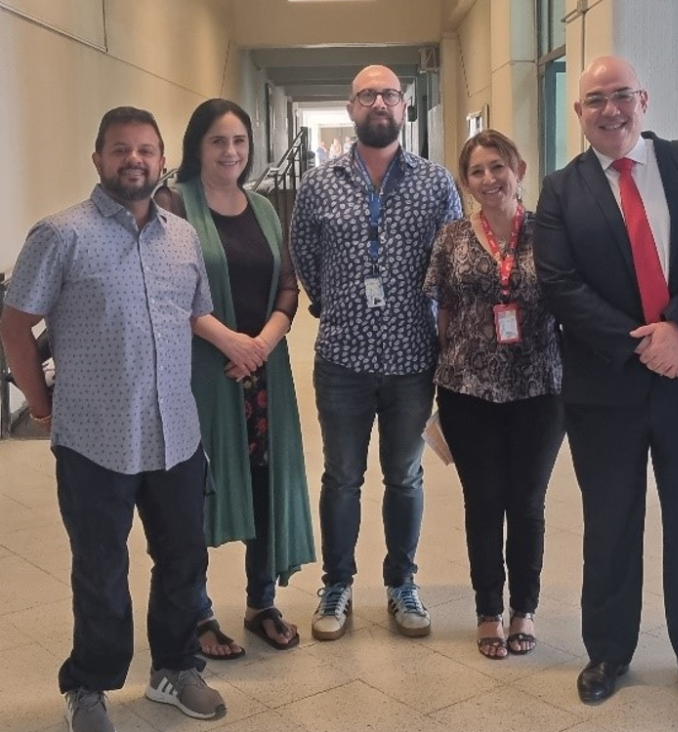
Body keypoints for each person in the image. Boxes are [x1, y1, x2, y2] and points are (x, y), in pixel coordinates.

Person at [0, 107, 226, 732]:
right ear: (97, 158)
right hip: (94, 439)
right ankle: (90, 683)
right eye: (121, 149)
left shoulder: (181, 236)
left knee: (184, 559)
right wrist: (39, 404)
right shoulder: (60, 234)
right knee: (100, 569)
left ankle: (175, 669)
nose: (135, 160)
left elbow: (192, 316)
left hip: (176, 434)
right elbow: (16, 323)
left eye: (147, 150)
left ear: (161, 160)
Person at [534, 56, 678, 712]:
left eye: (621, 95)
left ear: (644, 100)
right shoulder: (561, 190)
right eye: (595, 100)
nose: (610, 110)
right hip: (605, 390)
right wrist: (645, 344)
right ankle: (608, 651)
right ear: (579, 113)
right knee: (610, 526)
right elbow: (560, 285)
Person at [291, 64, 462, 642]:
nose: (379, 103)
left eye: (389, 94)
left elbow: (453, 261)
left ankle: (401, 583)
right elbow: (304, 254)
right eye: (367, 94)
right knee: (341, 477)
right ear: (351, 108)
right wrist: (336, 305)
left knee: (405, 476)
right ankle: (336, 584)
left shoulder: (436, 182)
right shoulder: (319, 183)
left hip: (413, 360)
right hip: (341, 357)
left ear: (404, 106)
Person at [154, 98, 315, 660]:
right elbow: (165, 287)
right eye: (218, 141)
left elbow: (288, 285)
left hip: (262, 374)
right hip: (202, 373)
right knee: (195, 492)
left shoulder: (266, 208)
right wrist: (229, 341)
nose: (231, 152)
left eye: (239, 142)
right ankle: (198, 611)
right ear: (197, 146)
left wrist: (263, 343)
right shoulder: (172, 204)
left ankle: (260, 603)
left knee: (265, 483)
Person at [423, 130, 564, 660]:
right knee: (482, 501)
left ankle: (523, 608)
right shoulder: (453, 237)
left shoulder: (549, 233)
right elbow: (441, 310)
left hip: (540, 388)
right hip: (467, 389)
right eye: (477, 171)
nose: (488, 179)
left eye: (497, 167)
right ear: (466, 181)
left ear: (519, 169)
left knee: (526, 502)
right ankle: (488, 610)